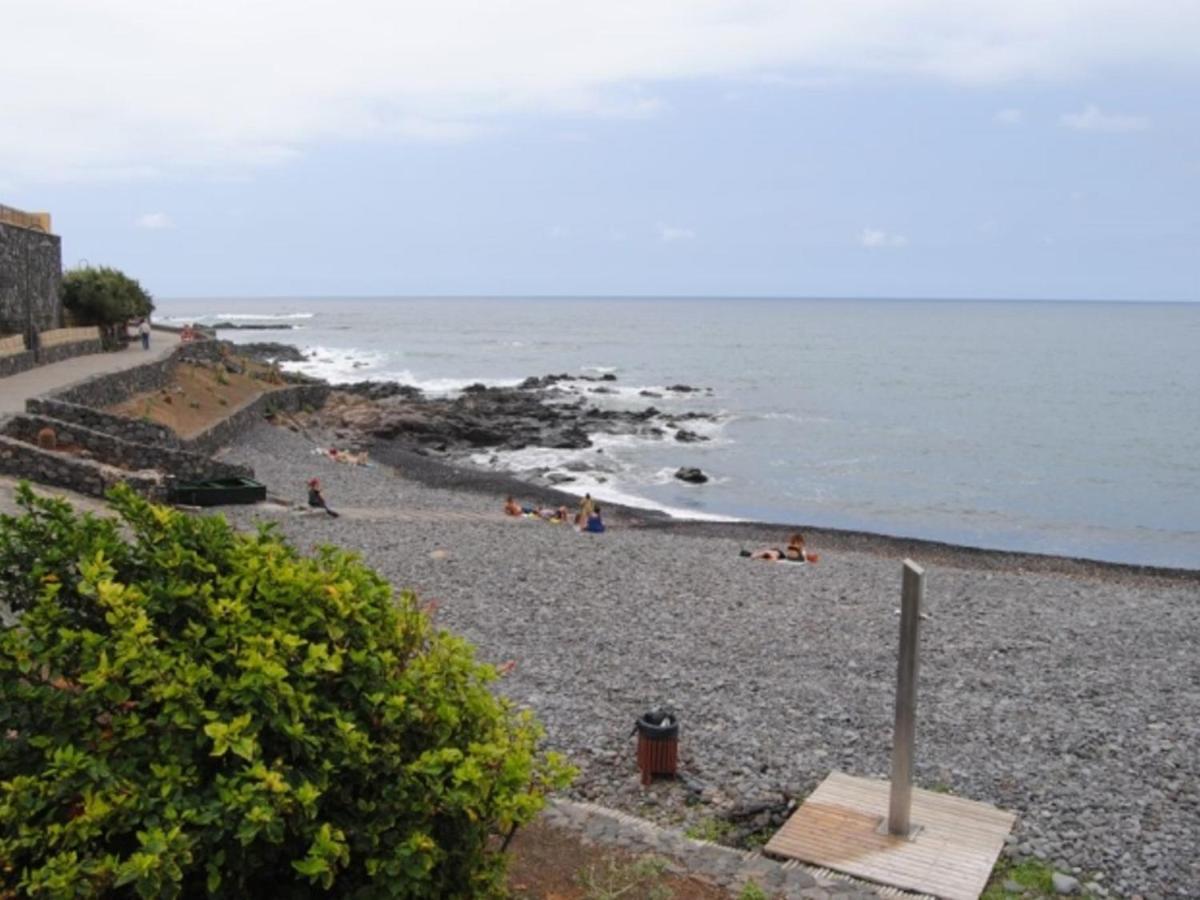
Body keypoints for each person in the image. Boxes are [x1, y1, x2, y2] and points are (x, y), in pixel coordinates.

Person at [740, 532, 816, 563]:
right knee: (770, 551)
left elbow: (792, 555)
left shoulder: (799, 550)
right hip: (784, 557)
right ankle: (750, 554)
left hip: (783, 557)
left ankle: (750, 555)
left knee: (770, 552)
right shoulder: (801, 551)